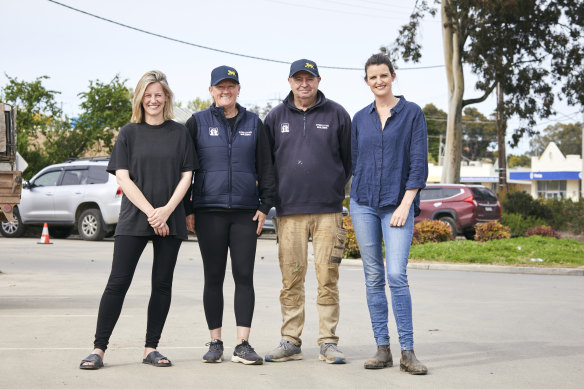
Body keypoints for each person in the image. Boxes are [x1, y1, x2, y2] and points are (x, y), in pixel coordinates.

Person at [79, 70, 196, 370]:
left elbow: (187, 176)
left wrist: (166, 211)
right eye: (148, 95)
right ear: (140, 98)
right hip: (135, 218)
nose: (153, 100)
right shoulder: (128, 133)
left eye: (158, 94)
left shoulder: (180, 132)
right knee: (118, 283)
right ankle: (98, 349)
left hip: (171, 218)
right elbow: (123, 177)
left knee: (162, 285)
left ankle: (150, 349)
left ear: (166, 97)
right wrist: (151, 213)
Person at [183, 65, 275, 365]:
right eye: (219, 86)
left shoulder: (254, 123)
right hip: (208, 211)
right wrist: (188, 209)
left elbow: (267, 168)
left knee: (244, 276)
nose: (226, 91)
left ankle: (243, 344)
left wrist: (264, 206)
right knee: (213, 277)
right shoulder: (196, 123)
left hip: (246, 212)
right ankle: (215, 341)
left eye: (231, 86)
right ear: (211, 91)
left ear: (238, 89)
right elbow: (185, 170)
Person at [263, 59, 351, 364]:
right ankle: (291, 340)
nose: (304, 84)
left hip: (328, 211)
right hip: (288, 211)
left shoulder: (337, 113)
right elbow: (267, 164)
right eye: (298, 79)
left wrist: (334, 188)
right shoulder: (275, 117)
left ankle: (328, 341)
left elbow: (349, 160)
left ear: (318, 80)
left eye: (309, 78)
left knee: (328, 277)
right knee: (292, 279)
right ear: (289, 82)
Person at [349, 53, 428, 374]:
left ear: (393, 76)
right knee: (372, 277)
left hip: (398, 205)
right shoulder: (360, 118)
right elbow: (354, 162)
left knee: (396, 274)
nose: (379, 81)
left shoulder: (412, 114)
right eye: (372, 77)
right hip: (363, 204)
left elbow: (418, 164)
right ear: (366, 82)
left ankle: (408, 351)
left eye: (383, 75)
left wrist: (405, 205)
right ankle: (382, 349)